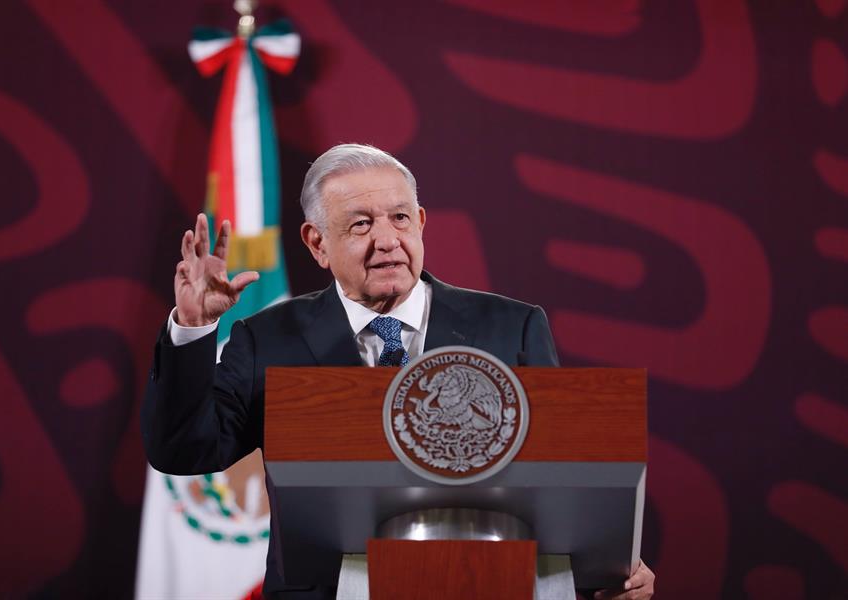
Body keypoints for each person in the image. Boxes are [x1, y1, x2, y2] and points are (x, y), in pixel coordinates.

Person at [141, 144, 655, 599]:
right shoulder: (267, 338)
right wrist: (193, 328)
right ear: (317, 243)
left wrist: (605, 576)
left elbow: (560, 476)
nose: (387, 240)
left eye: (400, 218)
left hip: (492, 585)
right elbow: (184, 450)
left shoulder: (512, 326)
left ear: (422, 223)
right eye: (361, 223)